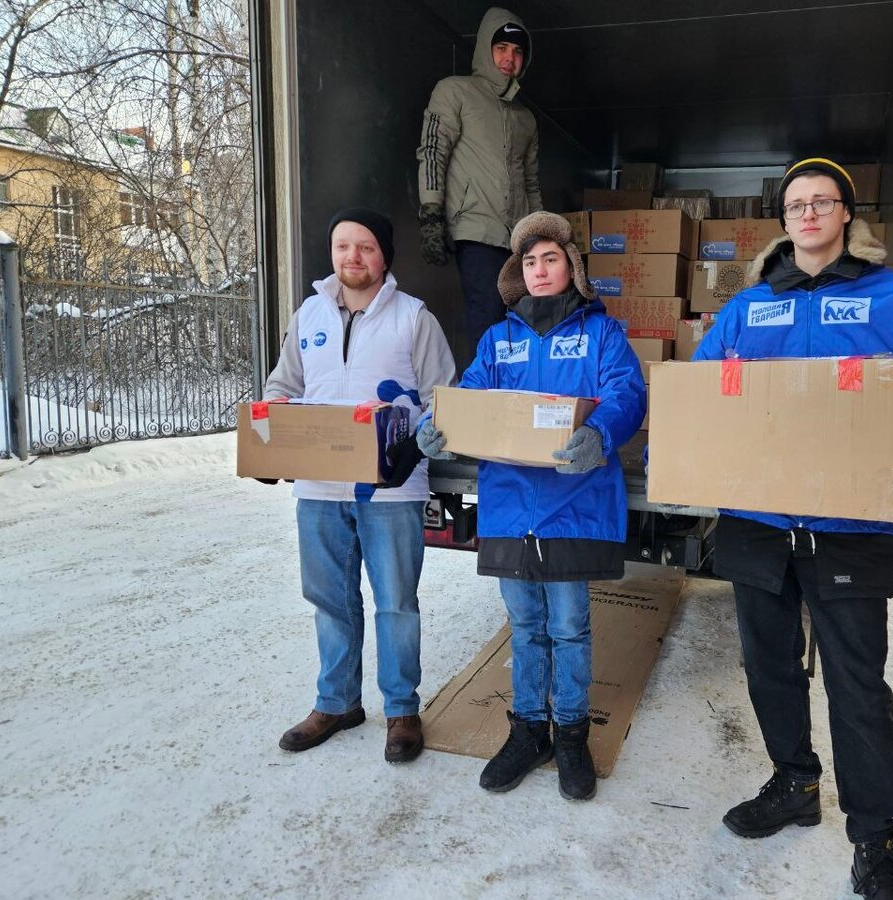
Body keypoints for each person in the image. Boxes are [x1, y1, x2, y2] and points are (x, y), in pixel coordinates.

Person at [691, 158, 893, 899]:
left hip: (851, 525)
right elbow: (698, 393)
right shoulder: (749, 307)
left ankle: (875, 836)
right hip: (758, 522)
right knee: (769, 669)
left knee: (857, 686)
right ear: (783, 222)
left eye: (822, 201)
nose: (808, 213)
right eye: (795, 204)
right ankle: (794, 783)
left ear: (846, 216)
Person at [416, 211, 646, 801]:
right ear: (517, 273)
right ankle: (527, 732)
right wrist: (432, 423)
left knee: (569, 627)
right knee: (524, 626)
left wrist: (602, 432)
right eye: (530, 262)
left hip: (575, 506)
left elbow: (627, 391)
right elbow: (466, 395)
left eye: (551, 259)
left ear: (572, 266)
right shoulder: (499, 340)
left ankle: (570, 734)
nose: (540, 270)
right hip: (512, 508)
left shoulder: (601, 334)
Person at [263, 207, 456, 764]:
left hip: (392, 488)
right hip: (319, 488)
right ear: (333, 253)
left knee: (396, 602)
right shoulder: (307, 315)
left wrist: (423, 434)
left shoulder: (414, 318)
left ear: (384, 256)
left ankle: (401, 711)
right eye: (343, 246)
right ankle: (338, 702)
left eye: (366, 247)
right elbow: (284, 384)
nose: (353, 257)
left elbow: (445, 396)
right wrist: (273, 416)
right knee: (329, 599)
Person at [416, 7, 541, 349]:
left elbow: (531, 182)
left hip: (516, 238)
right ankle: (480, 397)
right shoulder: (455, 91)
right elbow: (432, 150)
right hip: (474, 230)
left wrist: (541, 237)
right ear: (485, 48)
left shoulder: (525, 118)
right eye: (501, 48)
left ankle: (510, 395)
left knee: (520, 322)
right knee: (488, 317)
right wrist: (431, 211)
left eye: (517, 52)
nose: (509, 58)